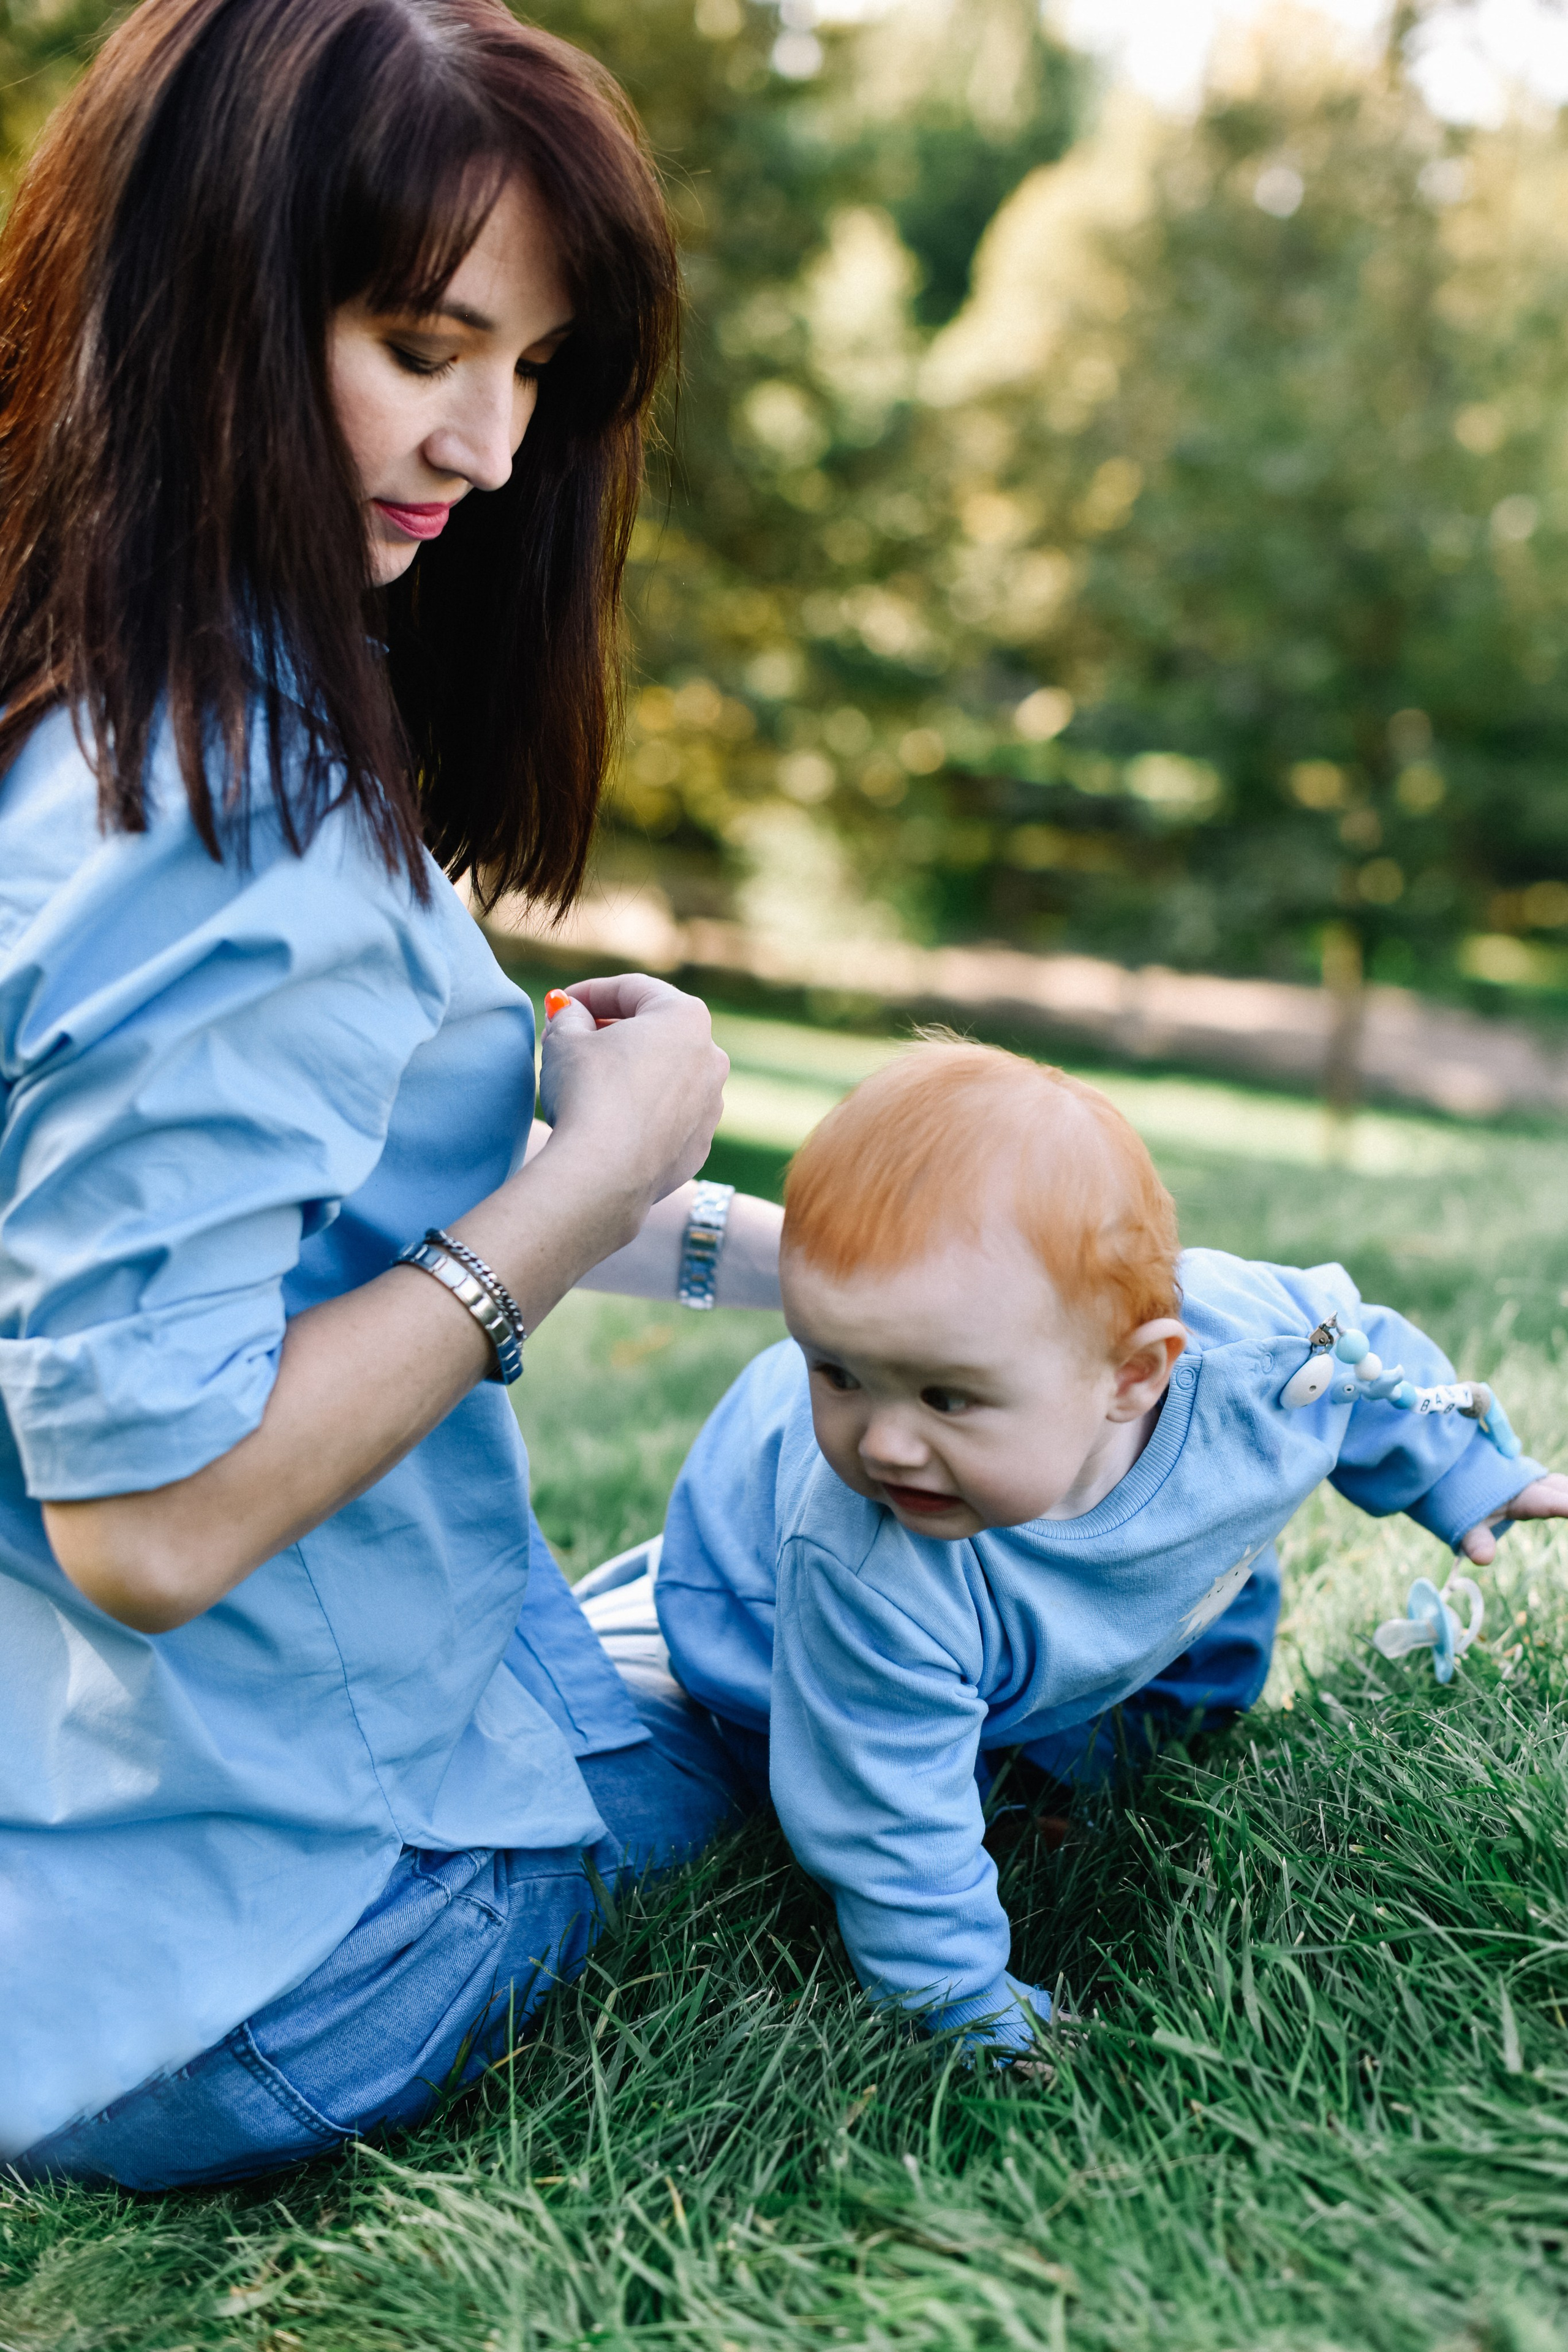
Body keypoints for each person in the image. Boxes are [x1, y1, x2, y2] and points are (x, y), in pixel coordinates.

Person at [0, 0, 783, 2184]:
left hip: (71, 1890)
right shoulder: (227, 826)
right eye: (426, 343)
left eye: (532, 371)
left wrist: (837, 1268)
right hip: (301, 1945)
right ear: (208, 304)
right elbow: (148, 1520)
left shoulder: (93, 732)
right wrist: (594, 1174)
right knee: (853, 1616)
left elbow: (304, 1214)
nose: (492, 448)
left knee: (715, 1578)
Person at [649, 1042, 1568, 2052]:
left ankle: (1085, 1760)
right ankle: (1007, 1773)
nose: (882, 1441)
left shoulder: (1258, 1362)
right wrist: (966, 2007)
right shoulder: (865, 1560)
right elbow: (884, 1826)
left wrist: (1463, 1472)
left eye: (946, 1395)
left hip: (1124, 1573)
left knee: (1198, 1631)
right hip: (761, 1624)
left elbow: (1360, 1358)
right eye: (836, 1371)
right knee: (838, 1770)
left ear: (1134, 1377)